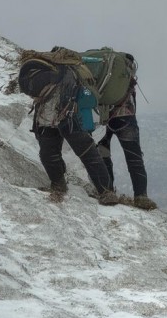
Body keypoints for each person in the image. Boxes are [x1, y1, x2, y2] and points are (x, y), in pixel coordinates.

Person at [27, 48, 118, 205]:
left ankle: (106, 192)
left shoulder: (64, 73)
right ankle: (64, 186)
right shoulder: (49, 74)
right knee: (61, 154)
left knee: (80, 153)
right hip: (52, 119)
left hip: (67, 118)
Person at [96, 62, 157, 210]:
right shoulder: (124, 72)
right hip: (125, 116)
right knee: (134, 157)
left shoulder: (97, 71)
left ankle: (108, 191)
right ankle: (141, 196)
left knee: (103, 153)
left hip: (101, 117)